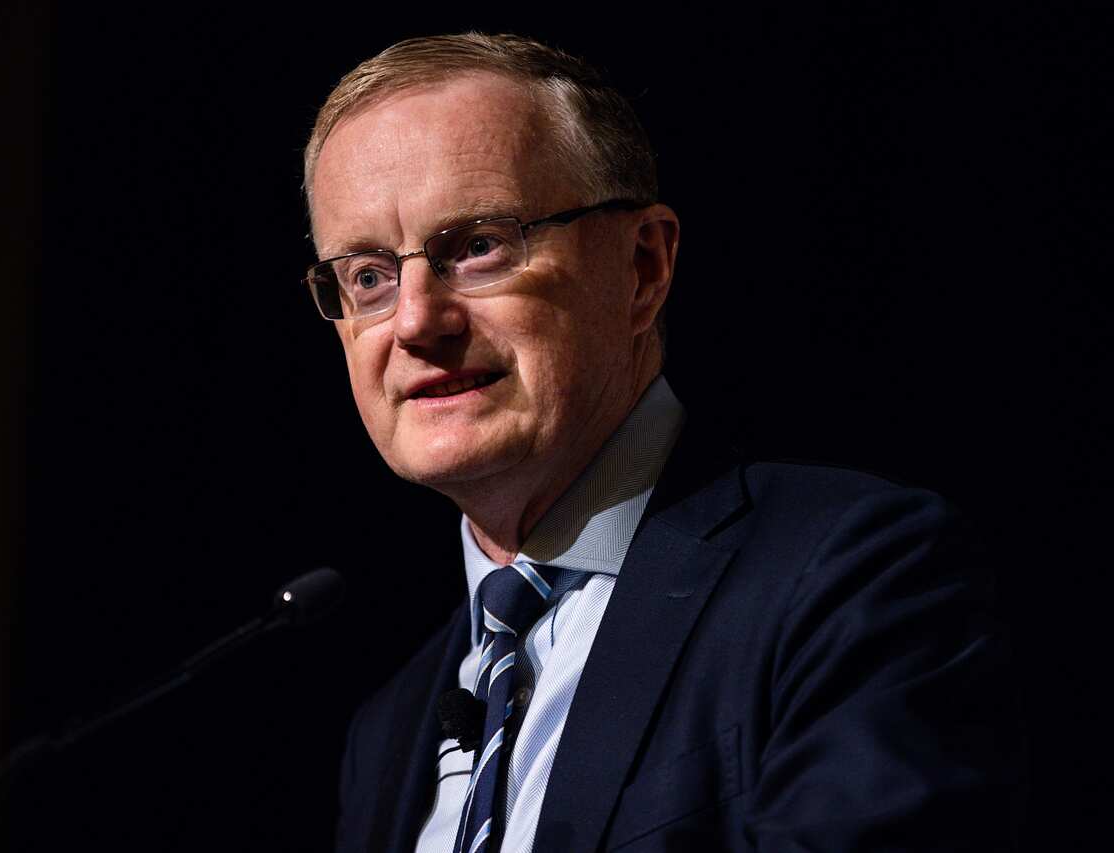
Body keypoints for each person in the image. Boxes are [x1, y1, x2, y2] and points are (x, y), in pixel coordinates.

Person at [302, 33, 1023, 853]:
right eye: (367, 276)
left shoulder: (853, 578)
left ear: (643, 265)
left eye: (477, 247)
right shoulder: (387, 733)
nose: (417, 321)